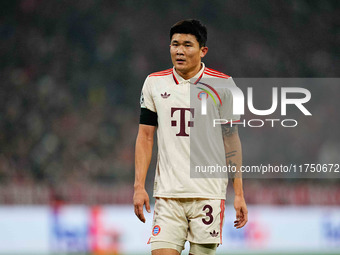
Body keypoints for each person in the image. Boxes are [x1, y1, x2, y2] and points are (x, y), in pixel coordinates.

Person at [134, 19, 248, 255]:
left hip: (208, 194)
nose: (179, 51)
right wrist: (138, 186)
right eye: (175, 44)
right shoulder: (154, 83)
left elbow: (231, 141)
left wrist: (238, 193)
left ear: (203, 50)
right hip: (168, 195)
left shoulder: (224, 85)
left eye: (187, 45)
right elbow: (145, 137)